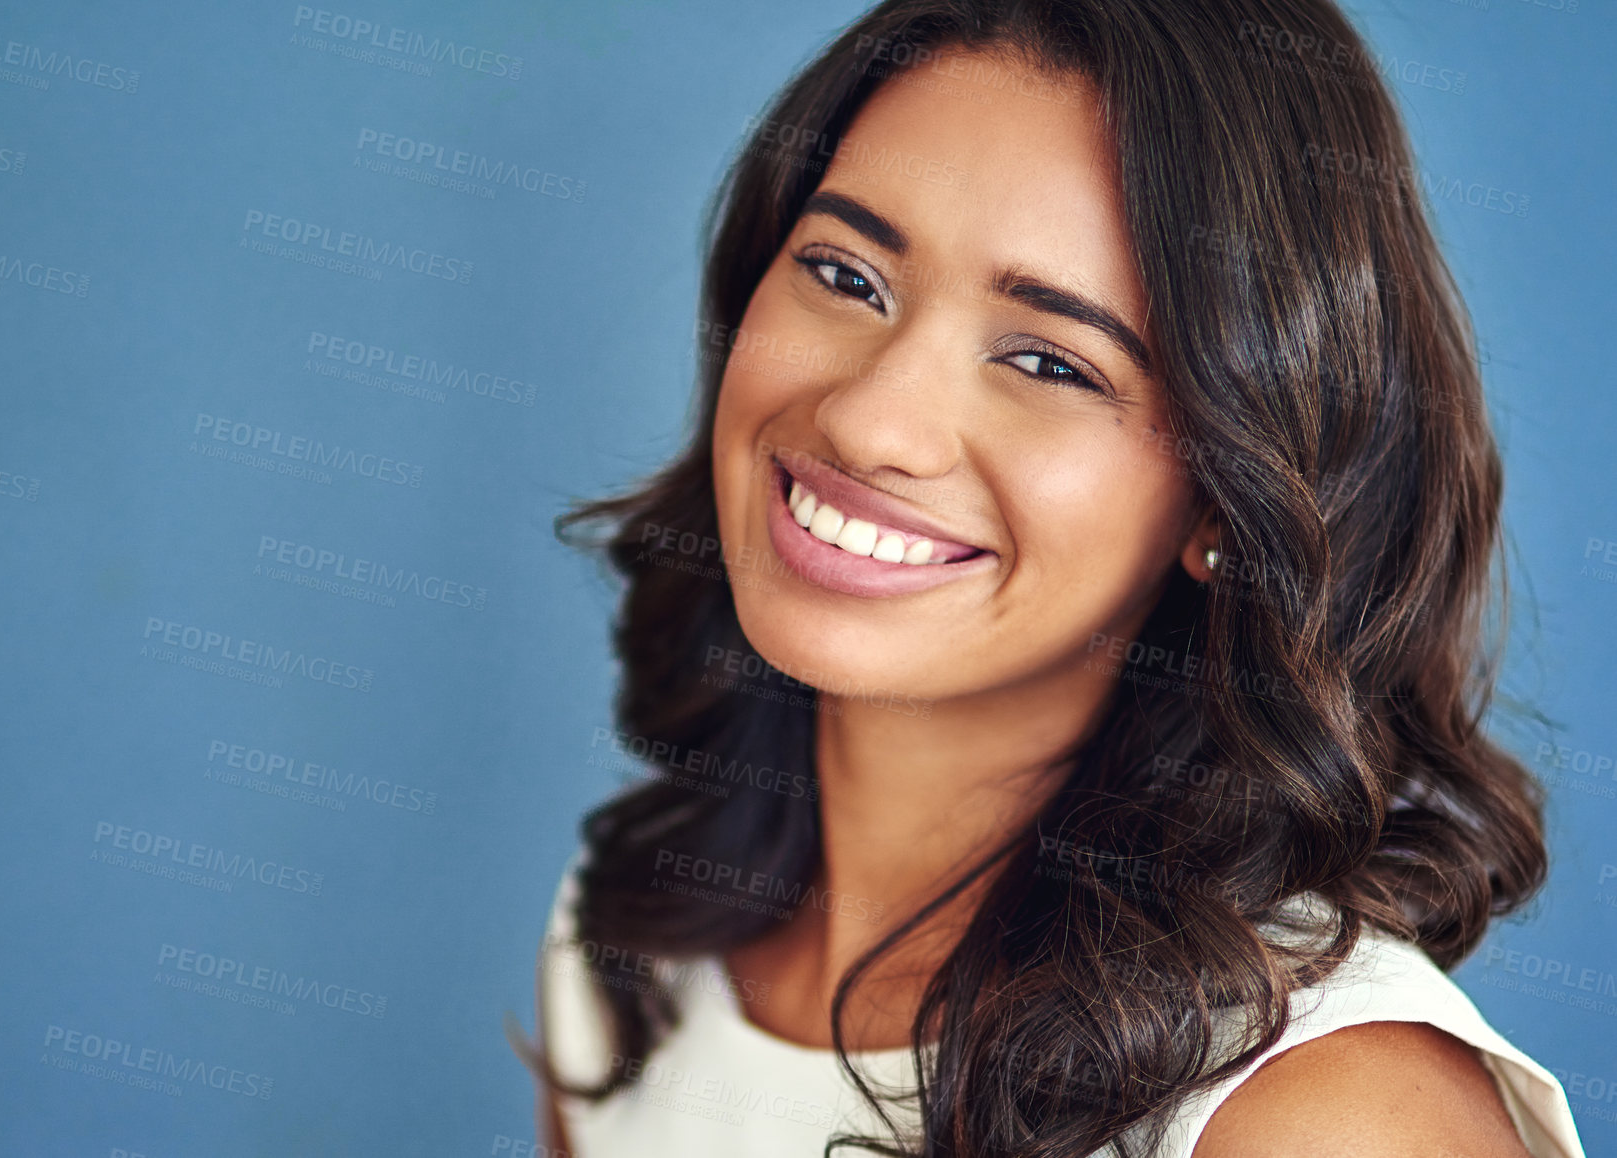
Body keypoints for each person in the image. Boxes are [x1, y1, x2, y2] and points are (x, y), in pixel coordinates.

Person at [526, 1, 1589, 1154]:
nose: (871, 418)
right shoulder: (631, 932)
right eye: (844, 273)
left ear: (1224, 497)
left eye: (1049, 361)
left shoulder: (1316, 1111)